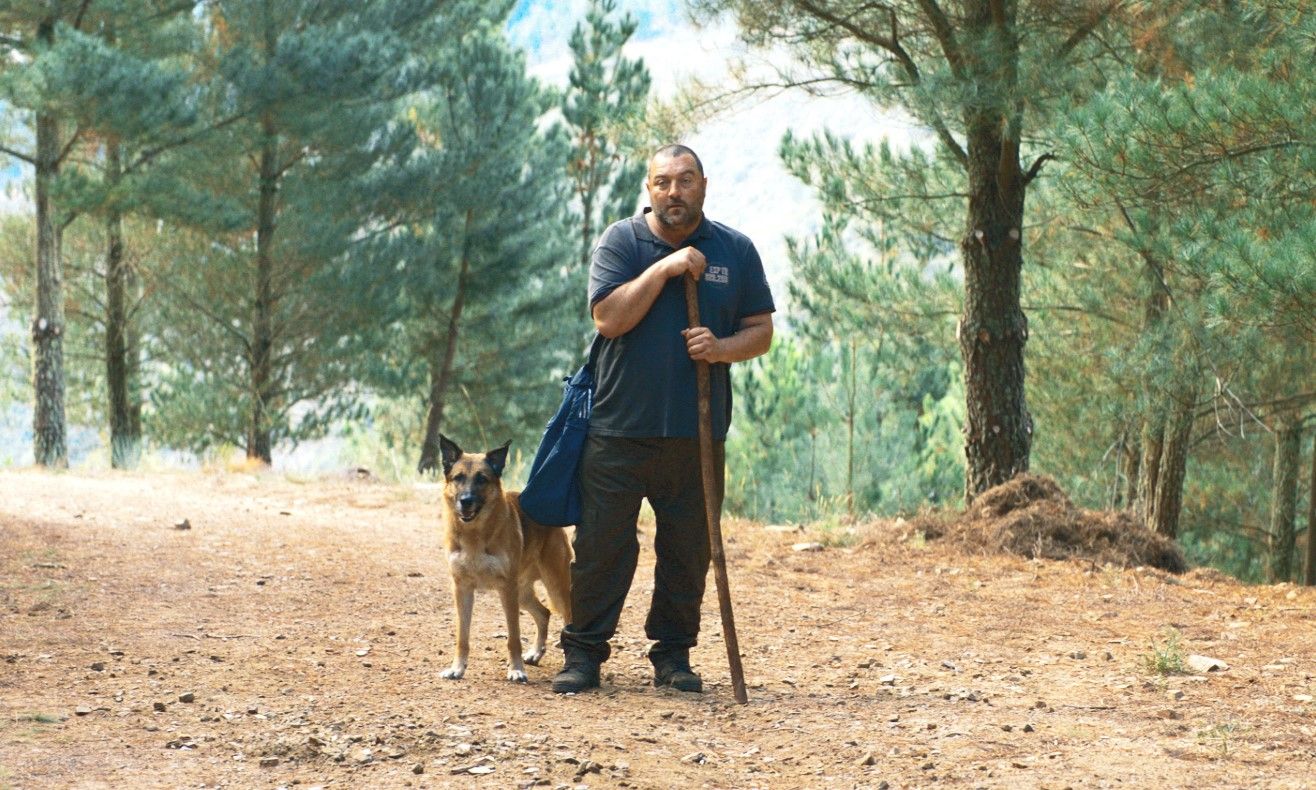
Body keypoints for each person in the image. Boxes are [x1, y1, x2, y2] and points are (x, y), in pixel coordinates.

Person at [552, 144, 775, 694]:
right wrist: (666, 268)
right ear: (648, 189)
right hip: (617, 429)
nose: (673, 192)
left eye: (684, 180)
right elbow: (608, 319)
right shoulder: (622, 242)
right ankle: (583, 654)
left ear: (704, 183)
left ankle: (673, 657)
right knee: (602, 546)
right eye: (661, 182)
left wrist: (720, 348)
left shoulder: (735, 250)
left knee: (687, 550)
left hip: (696, 433)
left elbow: (762, 331)